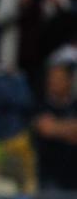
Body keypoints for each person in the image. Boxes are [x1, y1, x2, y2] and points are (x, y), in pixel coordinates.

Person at [33, 58, 77, 191]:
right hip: (49, 179)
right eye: (51, 78)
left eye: (59, 78)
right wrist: (70, 128)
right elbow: (45, 129)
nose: (53, 82)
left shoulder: (74, 106)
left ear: (69, 81)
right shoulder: (40, 105)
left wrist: (56, 127)